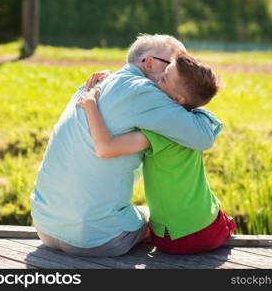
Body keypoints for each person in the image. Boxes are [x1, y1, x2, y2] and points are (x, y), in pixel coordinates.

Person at [30, 34, 222, 257]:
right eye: (174, 63)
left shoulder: (96, 83)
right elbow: (203, 137)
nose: (181, 69)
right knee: (157, 220)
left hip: (45, 226)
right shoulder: (143, 91)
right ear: (149, 63)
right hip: (95, 238)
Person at [77, 51, 236, 255]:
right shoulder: (192, 125)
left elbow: (106, 147)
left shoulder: (159, 131)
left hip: (175, 239)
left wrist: (91, 105)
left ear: (178, 99)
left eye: (162, 78)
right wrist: (117, 80)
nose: (154, 80)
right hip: (206, 228)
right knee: (220, 218)